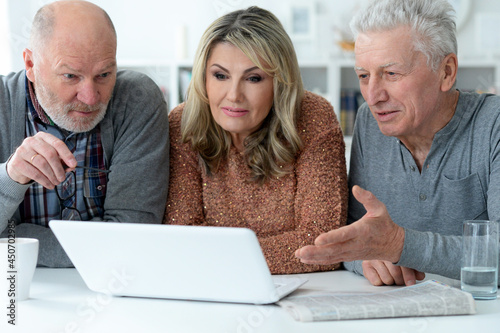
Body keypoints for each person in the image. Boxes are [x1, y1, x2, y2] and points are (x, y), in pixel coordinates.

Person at [296, 0, 500, 287]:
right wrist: (366, 259)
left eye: (391, 74)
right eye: (364, 76)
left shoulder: (493, 124)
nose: (373, 95)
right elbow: (355, 233)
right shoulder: (369, 121)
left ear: (447, 72)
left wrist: (397, 244)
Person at [165, 6, 348, 274]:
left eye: (253, 78)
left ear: (279, 83)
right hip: (208, 288)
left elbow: (323, 245)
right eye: (220, 75)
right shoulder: (183, 123)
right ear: (202, 77)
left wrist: (214, 257)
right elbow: (180, 238)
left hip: (306, 291)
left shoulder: (313, 117)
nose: (234, 95)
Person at [0, 1, 170, 267]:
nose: (90, 98)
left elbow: (133, 233)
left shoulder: (136, 100)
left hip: (116, 287)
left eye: (103, 74)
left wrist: (13, 239)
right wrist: (10, 177)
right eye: (70, 76)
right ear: (31, 64)